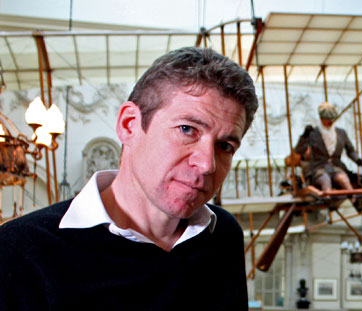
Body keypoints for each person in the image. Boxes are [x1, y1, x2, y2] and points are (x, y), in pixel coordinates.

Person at [0, 47, 258, 311]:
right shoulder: (18, 252)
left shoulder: (223, 235)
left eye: (225, 146)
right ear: (129, 124)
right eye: (187, 130)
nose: (206, 164)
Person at [294, 102, 362, 210]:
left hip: (336, 166)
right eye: (327, 119)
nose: (330, 122)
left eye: (332, 119)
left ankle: (354, 200)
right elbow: (299, 150)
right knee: (325, 180)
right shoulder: (313, 134)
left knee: (343, 179)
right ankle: (329, 200)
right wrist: (304, 137)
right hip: (319, 168)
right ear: (322, 119)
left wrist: (358, 160)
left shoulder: (341, 133)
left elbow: (350, 150)